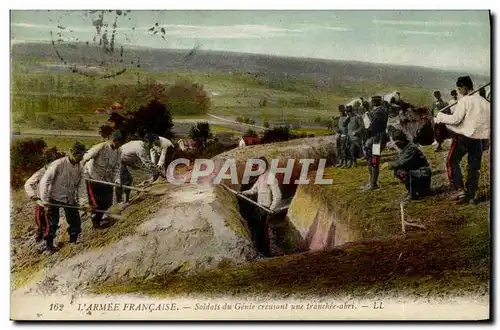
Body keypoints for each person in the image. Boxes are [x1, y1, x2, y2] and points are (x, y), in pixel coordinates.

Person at [434, 76, 490, 204]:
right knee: (473, 167)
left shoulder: (465, 101)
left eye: (459, 89)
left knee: (451, 161)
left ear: (465, 87)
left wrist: (440, 116)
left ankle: (459, 190)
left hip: (464, 138)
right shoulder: (485, 102)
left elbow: (455, 120)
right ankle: (470, 195)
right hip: (480, 139)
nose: (459, 92)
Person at [39, 142, 89, 252]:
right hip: (54, 197)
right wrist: (45, 201)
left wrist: (84, 202)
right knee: (52, 223)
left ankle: (73, 241)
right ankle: (49, 246)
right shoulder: (58, 164)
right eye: (77, 154)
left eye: (81, 155)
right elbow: (45, 182)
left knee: (75, 220)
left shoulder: (80, 168)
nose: (79, 157)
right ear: (70, 152)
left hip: (69, 198)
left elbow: (82, 187)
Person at [240, 156, 282, 257]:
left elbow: (278, 196)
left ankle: (266, 252)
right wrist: (242, 193)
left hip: (266, 208)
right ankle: (260, 250)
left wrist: (271, 209)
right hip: (259, 207)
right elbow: (253, 190)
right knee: (257, 229)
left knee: (263, 231)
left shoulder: (271, 177)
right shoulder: (260, 177)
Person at [81, 130, 124, 229]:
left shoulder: (118, 151)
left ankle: (102, 217)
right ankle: (95, 222)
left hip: (106, 179)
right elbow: (84, 158)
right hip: (93, 177)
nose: (118, 144)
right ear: (112, 140)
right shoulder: (100, 147)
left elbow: (117, 168)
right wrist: (82, 173)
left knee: (108, 201)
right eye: (116, 142)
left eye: (119, 142)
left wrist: (117, 180)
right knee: (96, 202)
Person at [385, 129, 432, 201]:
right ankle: (413, 191)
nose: (397, 145)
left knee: (401, 171)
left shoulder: (411, 148)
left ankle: (414, 194)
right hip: (418, 173)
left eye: (397, 143)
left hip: (423, 174)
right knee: (399, 170)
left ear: (402, 141)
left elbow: (400, 163)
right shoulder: (406, 147)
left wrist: (387, 164)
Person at [24, 151, 60, 242]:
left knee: (52, 224)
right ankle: (39, 240)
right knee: (41, 223)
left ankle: (48, 244)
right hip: (41, 203)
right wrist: (33, 195)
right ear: (48, 162)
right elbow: (28, 184)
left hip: (53, 202)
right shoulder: (40, 173)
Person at [117, 134, 160, 203]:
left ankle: (124, 200)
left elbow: (128, 154)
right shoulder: (140, 149)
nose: (152, 146)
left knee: (126, 180)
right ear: (146, 141)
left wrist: (132, 164)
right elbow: (147, 162)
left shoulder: (139, 143)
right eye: (152, 144)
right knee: (125, 180)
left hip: (122, 159)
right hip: (117, 160)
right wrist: (156, 172)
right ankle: (120, 202)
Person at [361, 95, 388, 191]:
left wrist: (365, 131)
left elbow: (373, 126)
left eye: (372, 102)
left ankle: (373, 184)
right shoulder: (380, 111)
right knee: (371, 160)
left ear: (375, 102)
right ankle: (372, 182)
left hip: (377, 139)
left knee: (374, 161)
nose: (371, 103)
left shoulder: (379, 112)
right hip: (376, 138)